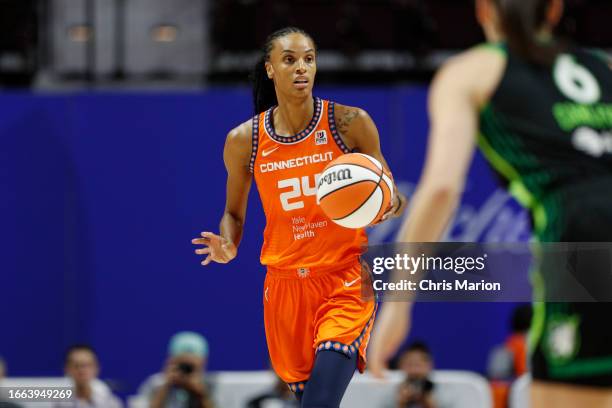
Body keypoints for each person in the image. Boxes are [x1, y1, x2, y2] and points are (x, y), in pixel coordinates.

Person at [368, 0, 612, 406]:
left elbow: (443, 187)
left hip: (581, 235)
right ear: (554, 11)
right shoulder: (604, 63)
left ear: (483, 10)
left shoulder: (471, 71)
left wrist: (398, 299)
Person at [192, 26, 405, 407]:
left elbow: (392, 192)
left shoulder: (349, 123)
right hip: (285, 289)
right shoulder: (245, 140)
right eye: (289, 60)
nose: (301, 68)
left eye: (309, 58)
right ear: (270, 69)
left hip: (345, 279)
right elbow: (233, 214)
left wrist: (386, 202)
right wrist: (228, 244)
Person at [139, 331, 214, 408]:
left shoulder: (216, 385)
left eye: (190, 367)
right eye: (182, 365)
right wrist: (166, 386)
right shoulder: (154, 384)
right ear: (170, 361)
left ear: (203, 362)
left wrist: (201, 394)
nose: (186, 371)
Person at [382, 342, 454, 408]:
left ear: (429, 365)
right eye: (410, 364)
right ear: (400, 366)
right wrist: (400, 404)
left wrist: (430, 405)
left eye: (418, 365)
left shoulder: (444, 394)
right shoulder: (390, 395)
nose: (414, 370)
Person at [54, 345, 123, 408]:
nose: (82, 371)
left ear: (96, 368)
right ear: (67, 369)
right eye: (77, 366)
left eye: (87, 365)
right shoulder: (60, 401)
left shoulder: (109, 401)